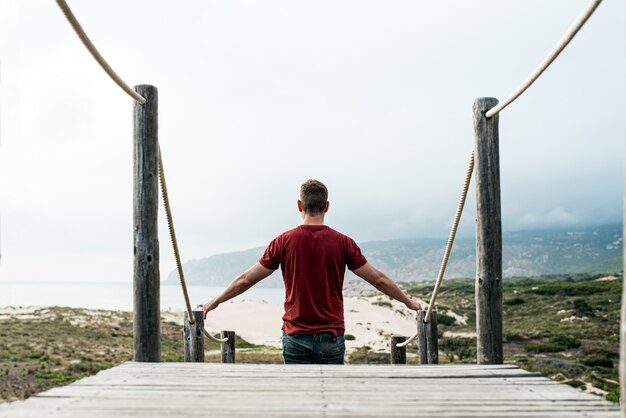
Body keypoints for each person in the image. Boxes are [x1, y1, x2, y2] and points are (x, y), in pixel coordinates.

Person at [203, 179, 422, 364]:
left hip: (296, 335)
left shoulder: (283, 242)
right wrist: (408, 302)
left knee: (300, 400)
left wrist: (215, 301)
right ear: (327, 206)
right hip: (332, 336)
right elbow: (378, 279)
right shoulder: (344, 243)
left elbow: (245, 280)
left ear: (299, 205)